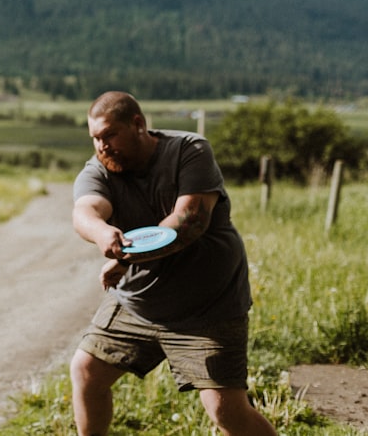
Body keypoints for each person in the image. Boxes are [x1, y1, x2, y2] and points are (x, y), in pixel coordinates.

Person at [69, 91, 276, 436]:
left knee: (225, 410)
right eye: (95, 138)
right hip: (139, 303)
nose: (102, 146)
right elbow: (85, 212)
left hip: (209, 306)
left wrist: (127, 256)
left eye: (109, 135)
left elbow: (189, 222)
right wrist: (103, 233)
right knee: (87, 370)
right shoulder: (99, 171)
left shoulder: (188, 150)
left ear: (138, 124)